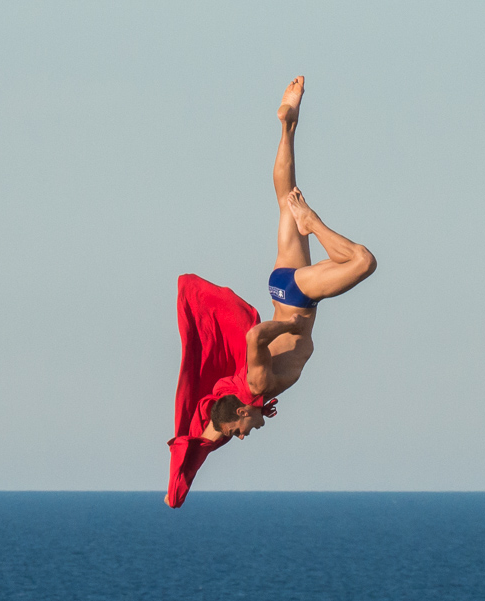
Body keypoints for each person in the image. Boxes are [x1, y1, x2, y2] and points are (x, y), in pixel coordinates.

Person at [165, 77, 376, 507]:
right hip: (283, 287)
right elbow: (205, 436)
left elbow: (252, 338)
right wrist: (179, 485)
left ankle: (311, 220)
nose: (244, 436)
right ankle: (287, 124)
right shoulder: (227, 407)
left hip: (295, 300)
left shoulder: (256, 382)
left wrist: (281, 324)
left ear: (243, 410)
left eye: (241, 431)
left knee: (362, 262)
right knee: (283, 198)